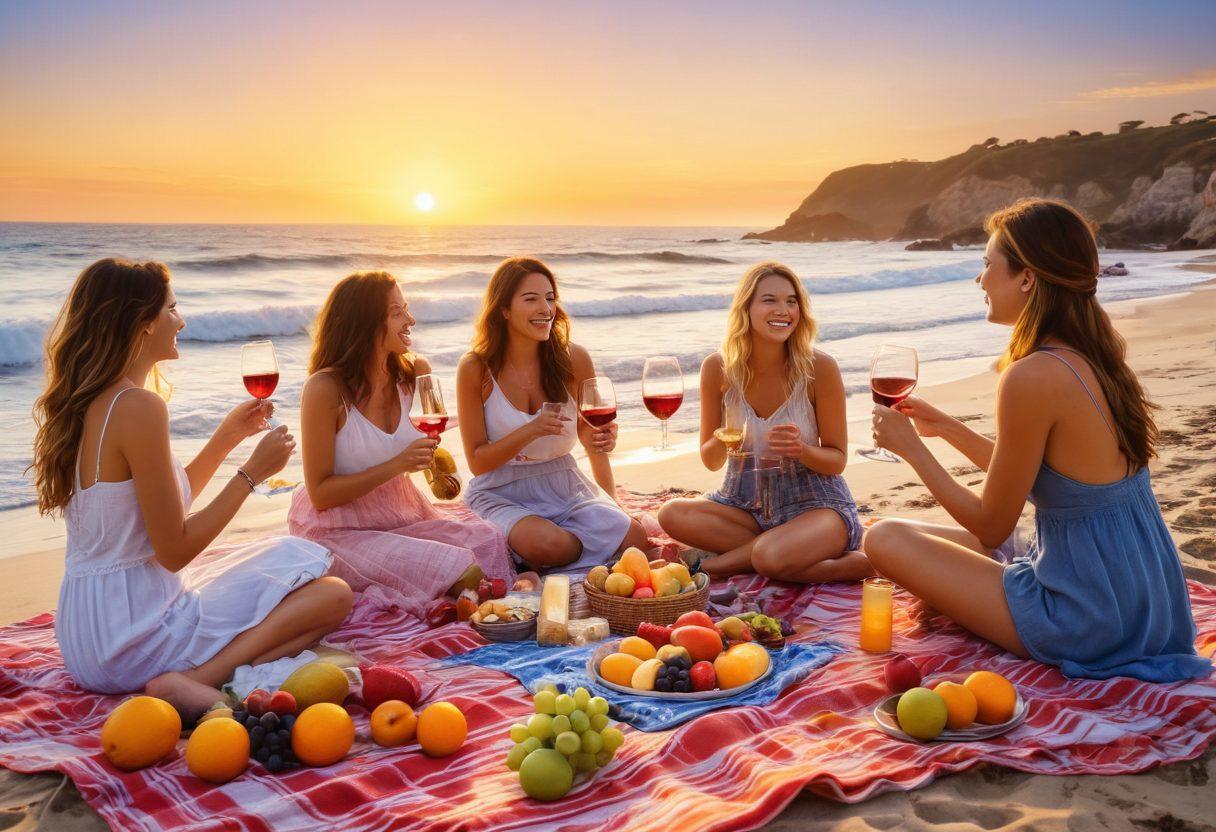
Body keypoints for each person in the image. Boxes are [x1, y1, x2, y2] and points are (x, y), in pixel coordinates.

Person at [864, 199, 1210, 682]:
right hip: (1148, 601)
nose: (980, 280)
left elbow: (991, 525)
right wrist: (946, 428)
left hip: (1088, 619)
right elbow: (1045, 480)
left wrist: (912, 449)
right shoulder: (1096, 351)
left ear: (1026, 277)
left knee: (882, 537)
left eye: (987, 265)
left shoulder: (1031, 376)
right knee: (898, 525)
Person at [31, 258, 351, 718]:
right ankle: (191, 682)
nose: (181, 320)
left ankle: (197, 672)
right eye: (172, 308)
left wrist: (226, 440)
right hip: (137, 638)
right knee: (331, 592)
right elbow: (174, 550)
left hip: (86, 637)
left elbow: (155, 508)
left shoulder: (87, 402)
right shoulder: (138, 406)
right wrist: (251, 475)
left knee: (278, 568)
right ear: (142, 324)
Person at [289, 271, 512, 613]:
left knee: (489, 539)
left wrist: (438, 473)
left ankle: (477, 604)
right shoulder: (324, 389)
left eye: (406, 309)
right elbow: (320, 494)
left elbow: (427, 445)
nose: (411, 319)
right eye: (397, 312)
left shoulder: (415, 372)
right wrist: (397, 465)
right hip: (338, 528)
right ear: (364, 323)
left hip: (402, 511)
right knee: (459, 568)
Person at [657, 262, 866, 582]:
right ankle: (802, 556)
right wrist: (726, 440)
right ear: (747, 308)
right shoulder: (717, 368)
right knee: (671, 514)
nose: (783, 310)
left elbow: (836, 460)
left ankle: (708, 567)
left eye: (791, 301)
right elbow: (710, 460)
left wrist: (802, 450)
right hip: (744, 508)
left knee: (771, 556)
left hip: (818, 508)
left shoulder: (820, 368)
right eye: (769, 300)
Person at [457, 256, 650, 573]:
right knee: (547, 544)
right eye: (530, 299)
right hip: (500, 490)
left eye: (549, 298)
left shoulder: (574, 358)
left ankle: (548, 563)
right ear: (504, 309)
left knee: (634, 537)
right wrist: (531, 430)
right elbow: (477, 462)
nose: (545, 309)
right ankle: (554, 556)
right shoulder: (475, 367)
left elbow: (590, 441)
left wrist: (604, 448)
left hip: (565, 483)